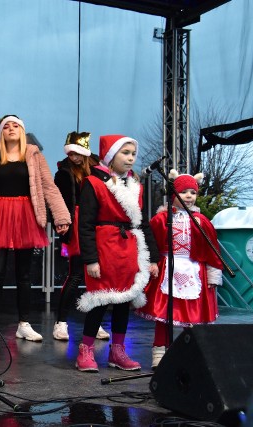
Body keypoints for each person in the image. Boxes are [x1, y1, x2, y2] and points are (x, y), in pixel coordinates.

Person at [0, 115, 71, 343]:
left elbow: (49, 187)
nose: (11, 129)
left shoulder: (34, 156)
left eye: (16, 125)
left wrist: (61, 215)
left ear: (22, 131)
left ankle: (24, 323)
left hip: (25, 216)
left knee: (24, 274)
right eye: (6, 126)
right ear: (0, 134)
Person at [75, 134, 159, 372]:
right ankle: (86, 349)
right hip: (104, 247)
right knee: (100, 299)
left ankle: (118, 350)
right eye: (125, 153)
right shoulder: (94, 183)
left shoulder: (135, 187)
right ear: (111, 156)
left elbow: (142, 223)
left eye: (133, 153)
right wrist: (90, 259)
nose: (131, 158)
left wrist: (152, 257)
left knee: (124, 300)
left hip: (128, 249)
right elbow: (86, 224)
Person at [135, 170, 222, 369]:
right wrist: (152, 263)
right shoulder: (161, 219)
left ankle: (189, 352)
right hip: (168, 268)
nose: (189, 196)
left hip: (193, 271)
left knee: (191, 315)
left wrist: (212, 274)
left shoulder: (202, 222)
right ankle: (159, 352)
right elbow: (150, 244)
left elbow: (212, 249)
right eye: (184, 192)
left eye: (193, 192)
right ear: (174, 194)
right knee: (165, 314)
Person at [53, 131, 109, 341]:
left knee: (98, 276)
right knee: (76, 274)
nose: (74, 157)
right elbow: (57, 201)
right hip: (76, 223)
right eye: (71, 153)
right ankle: (61, 322)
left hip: (97, 223)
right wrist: (61, 223)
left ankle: (95, 323)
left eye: (78, 153)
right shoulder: (63, 173)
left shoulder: (99, 171)